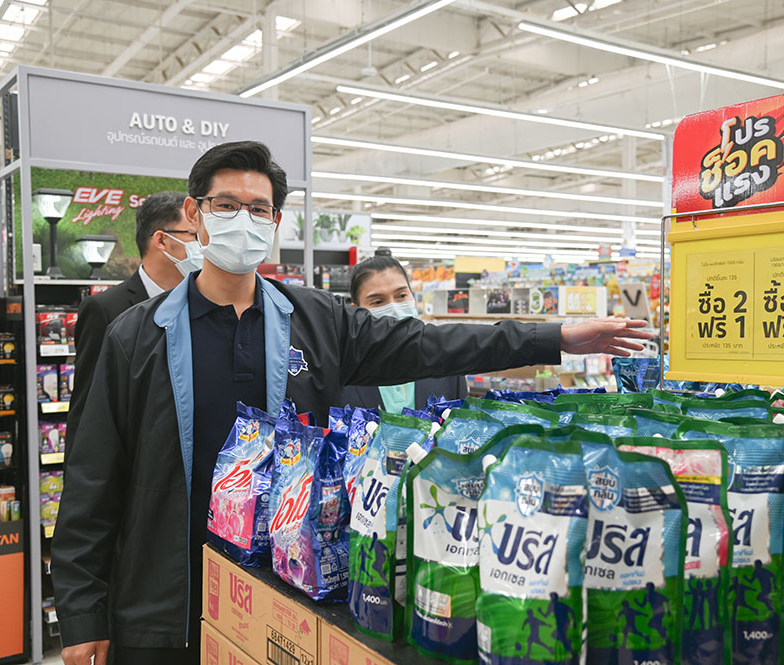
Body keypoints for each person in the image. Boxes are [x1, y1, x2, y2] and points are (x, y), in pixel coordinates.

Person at [52, 140, 650, 665]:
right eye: (225, 205)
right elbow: (92, 476)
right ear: (194, 213)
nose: (243, 219)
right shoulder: (138, 333)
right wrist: (82, 614)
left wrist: (556, 337)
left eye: (258, 209)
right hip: (162, 602)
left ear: (275, 222)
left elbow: (430, 343)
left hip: (279, 590)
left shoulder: (316, 320)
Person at [66, 191, 200, 458]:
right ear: (162, 240)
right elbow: (88, 411)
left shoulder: (204, 305)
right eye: (194, 236)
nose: (203, 246)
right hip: (135, 465)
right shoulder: (106, 310)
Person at [340, 254, 467, 412]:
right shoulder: (340, 373)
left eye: (401, 296)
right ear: (355, 311)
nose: (394, 308)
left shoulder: (446, 364)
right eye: (378, 302)